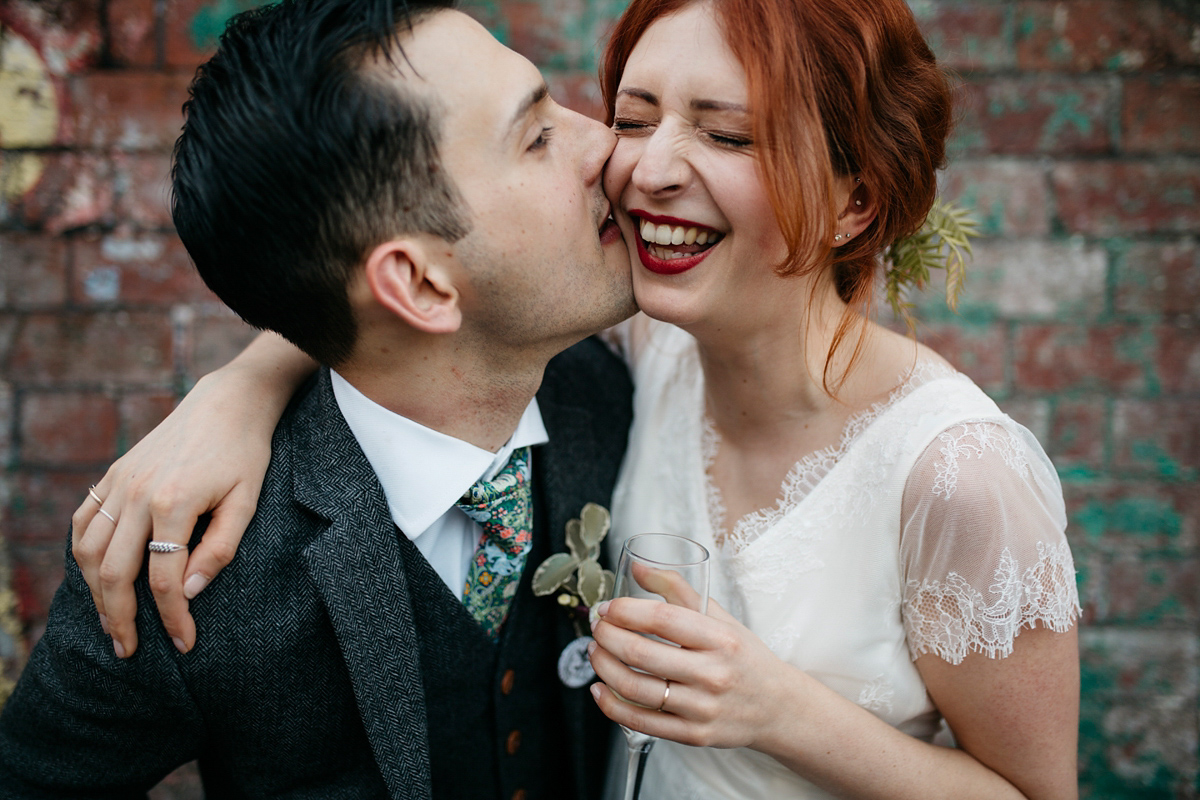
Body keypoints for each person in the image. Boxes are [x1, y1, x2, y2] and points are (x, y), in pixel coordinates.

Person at [66, 0, 1083, 798]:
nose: (629, 160)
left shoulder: (959, 475)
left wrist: (780, 710)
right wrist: (240, 387)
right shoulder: (634, 354)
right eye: (631, 116)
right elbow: (379, 302)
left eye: (726, 135)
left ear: (856, 200)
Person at [0, 0, 636, 796]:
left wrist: (242, 380)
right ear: (417, 283)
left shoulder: (608, 393)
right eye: (537, 136)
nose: (605, 145)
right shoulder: (190, 572)